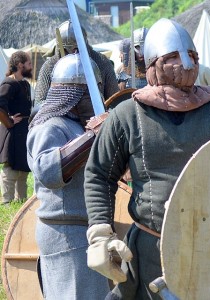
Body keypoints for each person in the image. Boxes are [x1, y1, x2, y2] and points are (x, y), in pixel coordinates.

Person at [84, 18, 210, 299]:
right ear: (152, 64)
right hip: (151, 249)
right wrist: (101, 232)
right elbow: (99, 174)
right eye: (172, 57)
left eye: (192, 56)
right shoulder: (128, 115)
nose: (185, 64)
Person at [27, 53, 110, 300]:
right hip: (66, 233)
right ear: (73, 94)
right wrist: (91, 137)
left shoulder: (75, 126)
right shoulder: (50, 126)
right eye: (89, 92)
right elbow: (48, 170)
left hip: (86, 232)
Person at [34, 20, 119, 106]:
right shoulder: (50, 66)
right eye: (68, 50)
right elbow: (39, 103)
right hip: (62, 116)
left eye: (78, 49)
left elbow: (115, 101)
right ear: (61, 49)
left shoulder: (102, 63)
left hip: (97, 116)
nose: (75, 52)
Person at [0, 51, 32, 204]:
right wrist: (9, 121)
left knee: (23, 170)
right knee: (11, 169)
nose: (31, 67)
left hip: (24, 130)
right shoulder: (9, 83)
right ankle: (7, 203)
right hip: (12, 132)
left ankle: (21, 203)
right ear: (20, 65)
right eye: (29, 63)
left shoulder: (25, 84)